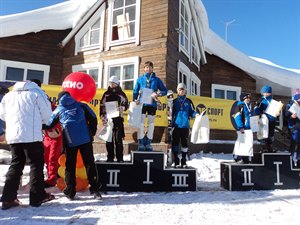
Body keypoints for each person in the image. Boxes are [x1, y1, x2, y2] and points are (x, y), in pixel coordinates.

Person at [0, 81, 55, 210]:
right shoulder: (36, 93)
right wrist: (41, 122)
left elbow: (2, 114)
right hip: (32, 135)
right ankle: (37, 196)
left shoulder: (9, 96)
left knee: (16, 163)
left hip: (14, 136)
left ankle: (8, 198)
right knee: (36, 164)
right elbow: (47, 115)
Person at [44, 91, 102, 200]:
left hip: (70, 141)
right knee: (89, 164)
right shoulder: (82, 105)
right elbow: (93, 118)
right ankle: (95, 190)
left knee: (70, 166)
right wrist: (92, 132)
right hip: (85, 139)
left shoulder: (59, 109)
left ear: (59, 99)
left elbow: (49, 124)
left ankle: (70, 191)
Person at [30, 79, 63, 187]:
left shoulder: (43, 98)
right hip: (46, 135)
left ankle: (52, 179)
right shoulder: (33, 97)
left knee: (52, 157)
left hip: (54, 134)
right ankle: (51, 177)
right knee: (46, 157)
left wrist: (54, 128)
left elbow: (55, 115)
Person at [133, 61, 168, 151]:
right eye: (146, 67)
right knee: (141, 123)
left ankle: (148, 142)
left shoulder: (156, 80)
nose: (148, 69)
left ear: (152, 68)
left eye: (150, 67)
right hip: (142, 104)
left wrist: (158, 94)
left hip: (152, 104)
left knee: (151, 124)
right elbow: (135, 91)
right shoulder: (140, 79)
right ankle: (141, 141)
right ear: (144, 69)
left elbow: (164, 91)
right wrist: (135, 99)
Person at [100, 76, 129, 162]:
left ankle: (120, 158)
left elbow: (126, 103)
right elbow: (102, 105)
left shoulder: (121, 94)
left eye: (113, 83)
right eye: (110, 83)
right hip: (108, 119)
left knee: (118, 139)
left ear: (117, 84)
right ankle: (110, 157)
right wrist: (102, 116)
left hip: (118, 119)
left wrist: (123, 108)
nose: (111, 85)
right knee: (109, 139)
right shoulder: (106, 94)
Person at [171, 83, 198, 168]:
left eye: (182, 89)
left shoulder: (188, 101)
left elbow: (192, 111)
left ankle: (183, 161)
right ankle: (176, 161)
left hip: (185, 126)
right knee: (175, 143)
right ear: (177, 90)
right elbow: (170, 112)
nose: (181, 91)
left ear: (185, 90)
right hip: (176, 125)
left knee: (184, 144)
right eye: (179, 89)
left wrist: (196, 114)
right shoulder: (174, 101)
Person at [254, 85, 277, 152]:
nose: (266, 94)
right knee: (263, 135)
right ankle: (264, 149)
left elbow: (276, 110)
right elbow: (257, 111)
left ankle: (270, 149)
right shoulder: (261, 100)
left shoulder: (273, 100)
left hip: (272, 120)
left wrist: (277, 113)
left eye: (268, 92)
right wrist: (258, 109)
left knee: (270, 135)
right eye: (265, 92)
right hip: (264, 120)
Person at [233, 93, 254, 163]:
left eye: (249, 98)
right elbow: (237, 117)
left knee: (249, 144)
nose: (248, 99)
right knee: (241, 143)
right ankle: (238, 158)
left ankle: (246, 159)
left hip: (249, 129)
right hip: (243, 129)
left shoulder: (249, 107)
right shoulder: (240, 105)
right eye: (247, 98)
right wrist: (241, 127)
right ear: (243, 99)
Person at [285, 93, 300, 167]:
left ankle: (298, 158)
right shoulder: (291, 106)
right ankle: (291, 157)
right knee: (294, 142)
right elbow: (286, 116)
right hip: (294, 126)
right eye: (299, 99)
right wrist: (291, 117)